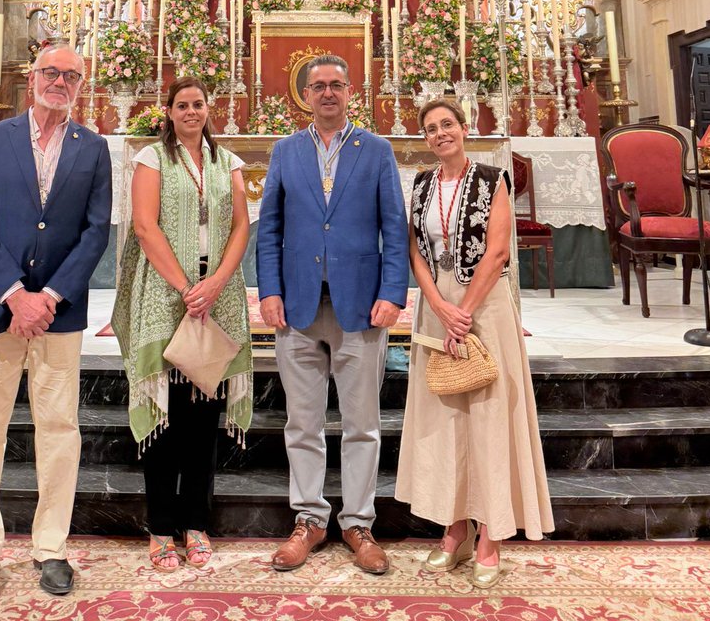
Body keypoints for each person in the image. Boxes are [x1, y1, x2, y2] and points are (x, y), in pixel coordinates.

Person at [0, 42, 112, 605]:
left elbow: (96, 232)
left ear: (79, 85)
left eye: (72, 75)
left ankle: (51, 547)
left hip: (59, 314)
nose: (61, 81)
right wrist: (15, 296)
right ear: (32, 79)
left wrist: (47, 296)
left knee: (58, 430)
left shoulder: (92, 148)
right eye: (52, 71)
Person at [256, 55, 408, 575]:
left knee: (362, 423)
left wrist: (393, 291)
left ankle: (359, 522)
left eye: (335, 85)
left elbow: (395, 224)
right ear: (305, 94)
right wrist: (269, 290)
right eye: (317, 86)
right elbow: (270, 226)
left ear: (349, 92)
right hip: (298, 304)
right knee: (302, 422)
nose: (326, 93)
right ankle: (309, 519)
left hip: (361, 304)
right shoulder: (286, 150)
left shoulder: (377, 150)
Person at [395, 98, 553, 588]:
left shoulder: (491, 180)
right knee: (445, 418)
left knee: (487, 417)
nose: (441, 133)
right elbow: (414, 251)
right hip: (438, 306)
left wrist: (462, 314)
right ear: (425, 139)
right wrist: (439, 307)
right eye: (431, 128)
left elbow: (499, 249)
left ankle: (491, 536)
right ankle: (454, 528)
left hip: (483, 308)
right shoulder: (420, 184)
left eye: (448, 124)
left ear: (465, 129)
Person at [112, 77, 252, 570]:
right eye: (182, 105)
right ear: (168, 112)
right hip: (166, 294)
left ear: (209, 109)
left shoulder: (228, 162)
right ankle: (159, 529)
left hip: (216, 294)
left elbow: (240, 226)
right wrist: (184, 288)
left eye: (198, 104)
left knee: (202, 421)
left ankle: (196, 523)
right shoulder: (152, 158)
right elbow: (145, 226)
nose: (191, 112)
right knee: (166, 420)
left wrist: (214, 284)